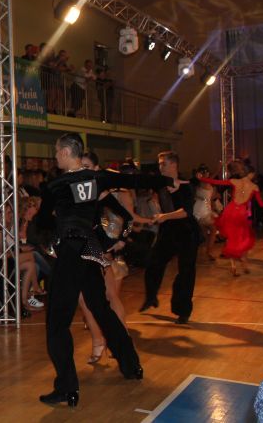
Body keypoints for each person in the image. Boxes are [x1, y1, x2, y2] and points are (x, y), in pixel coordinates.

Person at [35, 133, 171, 407]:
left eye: (57, 151)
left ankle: (66, 388)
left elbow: (41, 223)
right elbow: (135, 181)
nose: (55, 156)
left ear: (65, 152)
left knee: (58, 322)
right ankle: (131, 365)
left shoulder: (56, 185)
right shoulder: (99, 178)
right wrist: (166, 181)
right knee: (100, 307)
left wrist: (53, 233)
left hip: (70, 251)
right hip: (90, 250)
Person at [141, 151, 201, 324]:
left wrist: (164, 216)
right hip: (168, 230)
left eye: (163, 164)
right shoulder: (161, 183)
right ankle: (151, 297)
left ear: (174, 164)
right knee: (153, 263)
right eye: (159, 164)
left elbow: (186, 212)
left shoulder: (185, 185)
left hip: (187, 231)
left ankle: (183, 311)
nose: (160, 167)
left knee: (186, 272)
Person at [200, 160, 263, 276]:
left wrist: (202, 178)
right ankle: (244, 263)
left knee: (231, 237)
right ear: (251, 174)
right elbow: (261, 204)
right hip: (241, 213)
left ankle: (233, 266)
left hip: (230, 211)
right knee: (243, 237)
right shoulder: (255, 187)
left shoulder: (235, 181)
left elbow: (216, 182)